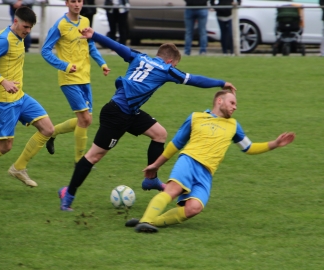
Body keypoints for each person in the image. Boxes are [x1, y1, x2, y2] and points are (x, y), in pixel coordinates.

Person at [57, 27, 236, 211]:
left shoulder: (139, 56)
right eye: (174, 65)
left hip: (129, 111)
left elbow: (118, 47)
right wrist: (221, 83)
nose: (173, 68)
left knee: (159, 134)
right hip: (117, 114)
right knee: (94, 156)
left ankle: (151, 179)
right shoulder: (167, 69)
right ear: (169, 61)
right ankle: (68, 194)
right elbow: (194, 79)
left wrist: (94, 35)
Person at [124, 90, 295, 233]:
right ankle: (145, 221)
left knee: (194, 208)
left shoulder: (234, 126)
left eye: (235, 105)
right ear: (219, 101)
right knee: (173, 190)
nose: (235, 107)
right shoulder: (196, 117)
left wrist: (275, 144)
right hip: (189, 161)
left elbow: (248, 148)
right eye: (232, 103)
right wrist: (156, 164)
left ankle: (149, 222)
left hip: (206, 173)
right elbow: (176, 144)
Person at [0, 7, 54, 187]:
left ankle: (19, 168)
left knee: (48, 129)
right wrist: (3, 81)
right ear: (15, 22)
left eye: (30, 28)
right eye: (25, 27)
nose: (28, 31)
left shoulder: (20, 38)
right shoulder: (3, 40)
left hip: (20, 97)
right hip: (2, 100)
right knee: (4, 146)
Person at [41, 0, 110, 166]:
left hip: (85, 78)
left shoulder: (85, 21)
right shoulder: (60, 25)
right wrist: (64, 65)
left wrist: (102, 63)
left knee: (86, 120)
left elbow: (90, 46)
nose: (76, 4)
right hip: (69, 79)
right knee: (84, 118)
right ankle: (80, 161)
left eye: (79, 1)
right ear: (67, 3)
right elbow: (45, 50)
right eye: (73, 1)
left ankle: (52, 133)